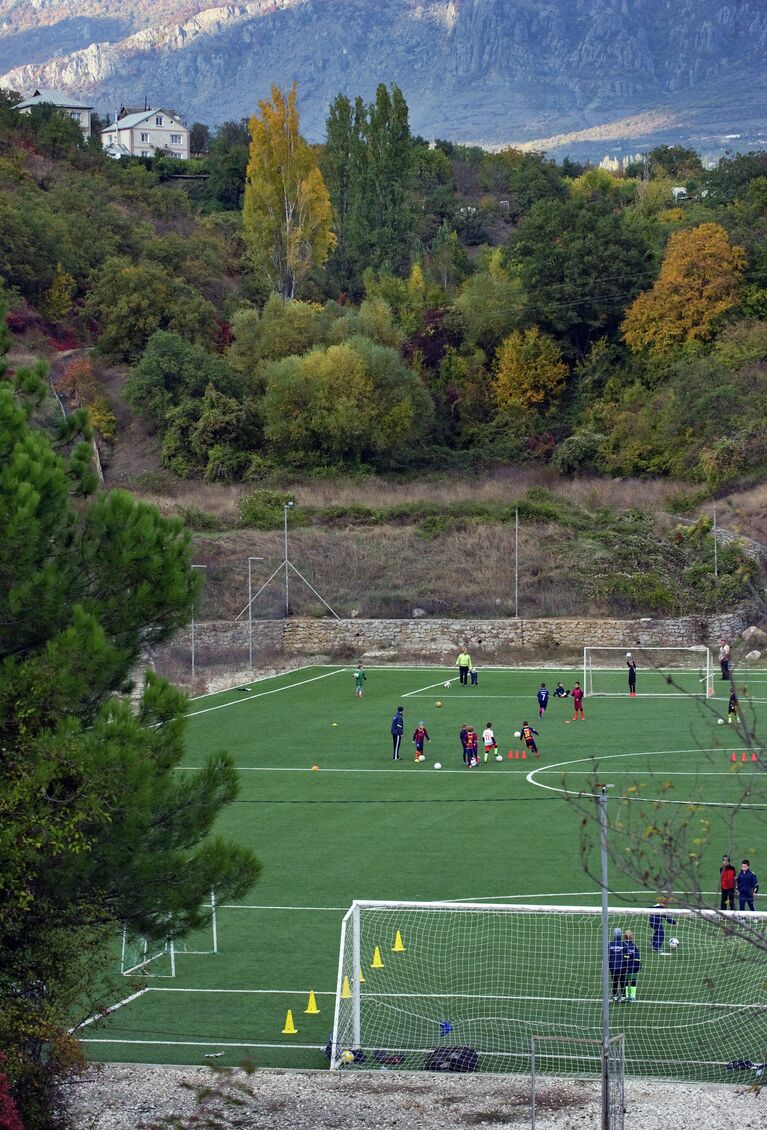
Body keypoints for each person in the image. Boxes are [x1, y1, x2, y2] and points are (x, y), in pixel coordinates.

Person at [622, 929, 641, 1002]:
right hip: (633, 967)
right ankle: (632, 996)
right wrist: (638, 966)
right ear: (632, 937)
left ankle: (626, 995)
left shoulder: (622, 945)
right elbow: (637, 958)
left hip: (625, 967)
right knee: (633, 981)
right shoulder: (634, 946)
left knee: (625, 981)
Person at [608, 927, 625, 1003]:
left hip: (613, 967)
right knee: (623, 982)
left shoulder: (610, 944)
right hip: (622, 967)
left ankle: (615, 996)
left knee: (615, 981)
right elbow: (626, 956)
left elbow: (608, 956)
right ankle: (623, 996)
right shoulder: (624, 944)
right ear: (621, 935)